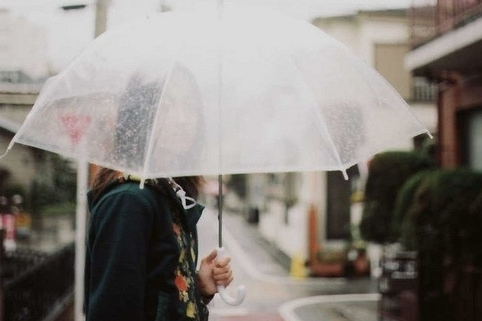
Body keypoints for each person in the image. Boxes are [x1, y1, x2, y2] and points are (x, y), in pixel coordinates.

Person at [84, 167, 233, 321]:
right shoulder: (129, 201)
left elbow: (158, 297)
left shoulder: (168, 197)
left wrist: (198, 289)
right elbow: (114, 309)